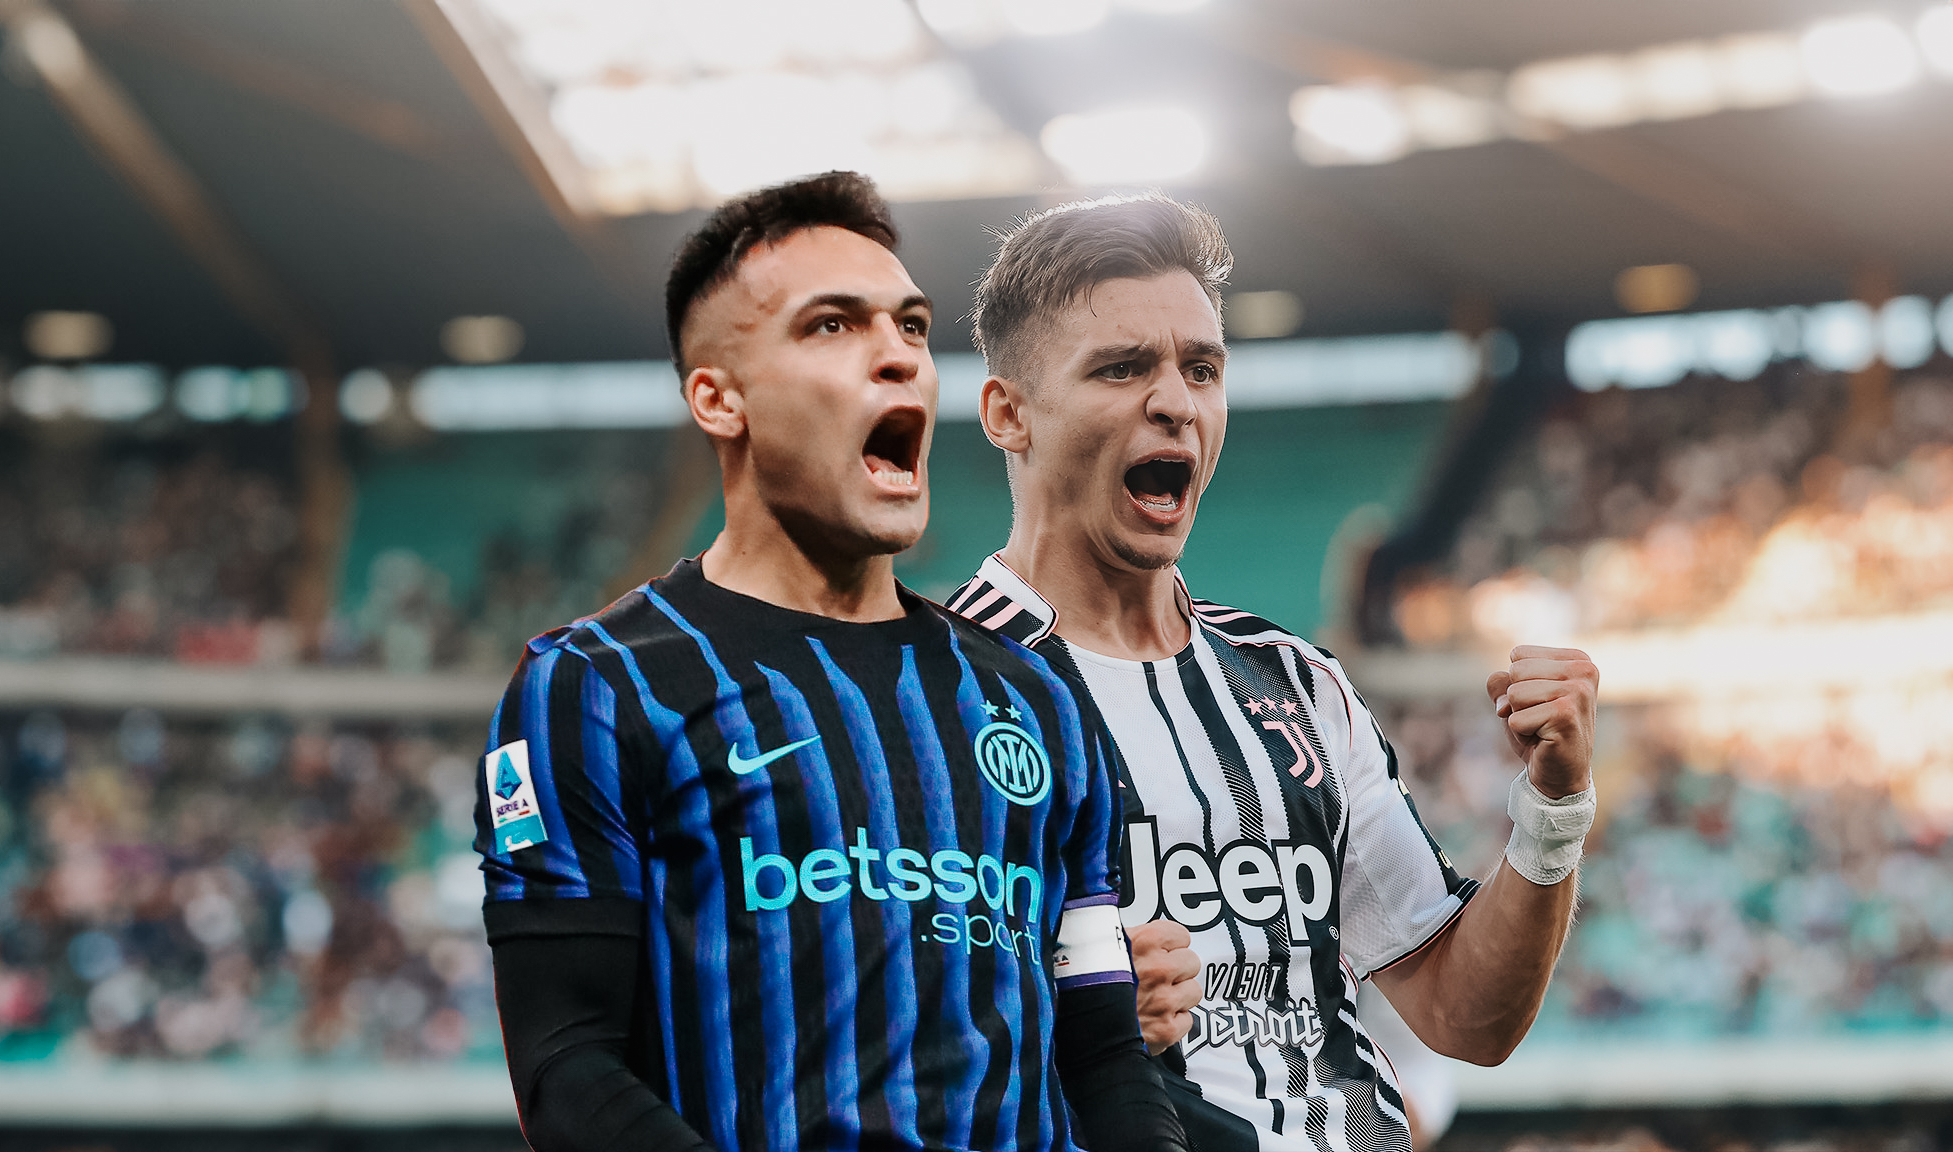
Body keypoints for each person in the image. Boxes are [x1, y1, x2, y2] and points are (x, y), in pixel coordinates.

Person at [474, 172, 1188, 1152]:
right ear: (719, 398)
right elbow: (568, 1067)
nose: (898, 356)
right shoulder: (596, 688)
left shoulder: (1034, 698)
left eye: (911, 325)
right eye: (832, 325)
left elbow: (1105, 1054)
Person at [948, 193, 1598, 1152]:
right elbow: (883, 1034)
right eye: (1122, 368)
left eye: (1201, 368)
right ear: (1010, 413)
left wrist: (1554, 809)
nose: (1175, 402)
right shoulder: (931, 692)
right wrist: (1070, 1013)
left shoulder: (1295, 684)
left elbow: (1467, 1016)